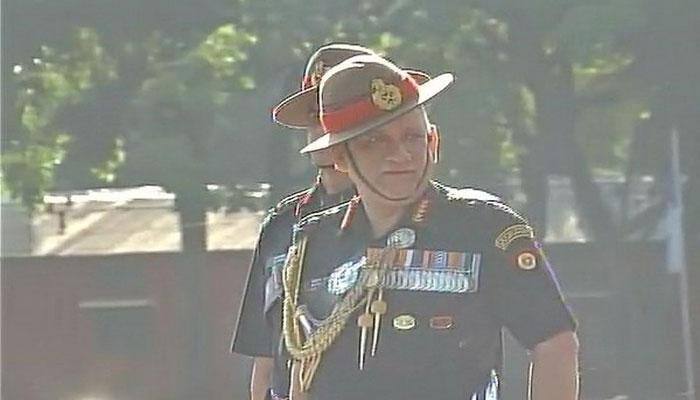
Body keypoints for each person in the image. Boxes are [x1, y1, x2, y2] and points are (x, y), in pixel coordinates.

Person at [278, 54, 579, 400]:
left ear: (433, 142)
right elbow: (296, 370)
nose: (400, 155)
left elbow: (554, 343)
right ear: (341, 158)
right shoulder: (312, 243)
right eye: (374, 142)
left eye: (412, 138)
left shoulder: (485, 230)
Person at [231, 43, 430, 400]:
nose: (326, 129)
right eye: (317, 117)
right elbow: (266, 355)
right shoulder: (283, 227)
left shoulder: (419, 215)